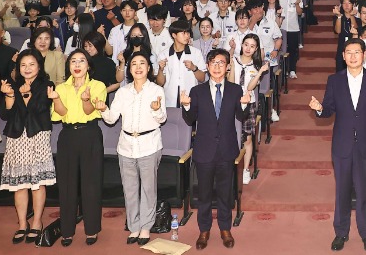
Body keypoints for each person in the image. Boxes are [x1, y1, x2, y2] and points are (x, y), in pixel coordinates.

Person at [309, 38, 366, 252]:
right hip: (342, 143)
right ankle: (341, 232)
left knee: (364, 191)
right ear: (343, 56)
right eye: (349, 52)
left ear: (364, 55)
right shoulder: (334, 80)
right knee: (342, 190)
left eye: (357, 52)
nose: (353, 56)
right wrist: (319, 108)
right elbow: (328, 109)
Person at [180, 48, 251, 250]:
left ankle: (225, 229)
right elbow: (190, 119)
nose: (217, 66)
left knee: (224, 193)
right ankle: (204, 230)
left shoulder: (236, 90)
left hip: (227, 149)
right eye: (213, 63)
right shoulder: (197, 91)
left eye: (221, 63)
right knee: (203, 193)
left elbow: (241, 117)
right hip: (204, 149)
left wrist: (245, 105)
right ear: (207, 66)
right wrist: (186, 106)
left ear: (228, 67)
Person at [95, 52, 166, 246]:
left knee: (148, 189)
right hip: (126, 146)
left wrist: (156, 109)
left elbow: (162, 119)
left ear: (148, 68)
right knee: (130, 188)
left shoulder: (156, 90)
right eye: (134, 63)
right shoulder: (123, 92)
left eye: (142, 63)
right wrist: (102, 109)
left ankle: (146, 226)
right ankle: (134, 226)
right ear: (130, 68)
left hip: (149, 144)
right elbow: (111, 119)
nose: (138, 67)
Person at [50, 49, 108, 246]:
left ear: (88, 65)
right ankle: (67, 230)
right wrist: (56, 99)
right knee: (67, 184)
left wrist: (85, 100)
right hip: (67, 136)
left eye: (81, 61)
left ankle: (91, 229)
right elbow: (61, 113)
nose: (77, 64)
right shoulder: (61, 88)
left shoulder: (97, 85)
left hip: (89, 134)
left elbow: (90, 110)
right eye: (73, 61)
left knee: (90, 184)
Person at [0, 49, 56, 244]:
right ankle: (22, 223)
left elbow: (39, 110)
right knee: (19, 184)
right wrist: (10, 97)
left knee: (37, 183)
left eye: (31, 64)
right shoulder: (11, 85)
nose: (27, 68)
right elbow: (5, 115)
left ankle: (37, 222)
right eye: (23, 65)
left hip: (37, 137)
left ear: (39, 66)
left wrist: (24, 96)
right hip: (16, 138)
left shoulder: (46, 85)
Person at [228, 33, 269, 185]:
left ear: (256, 49)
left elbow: (251, 87)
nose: (248, 48)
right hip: (232, 102)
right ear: (242, 44)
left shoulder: (257, 66)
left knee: (248, 137)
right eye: (246, 44)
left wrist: (259, 72)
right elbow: (231, 83)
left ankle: (245, 169)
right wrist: (232, 65)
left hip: (248, 104)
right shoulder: (233, 60)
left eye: (252, 46)